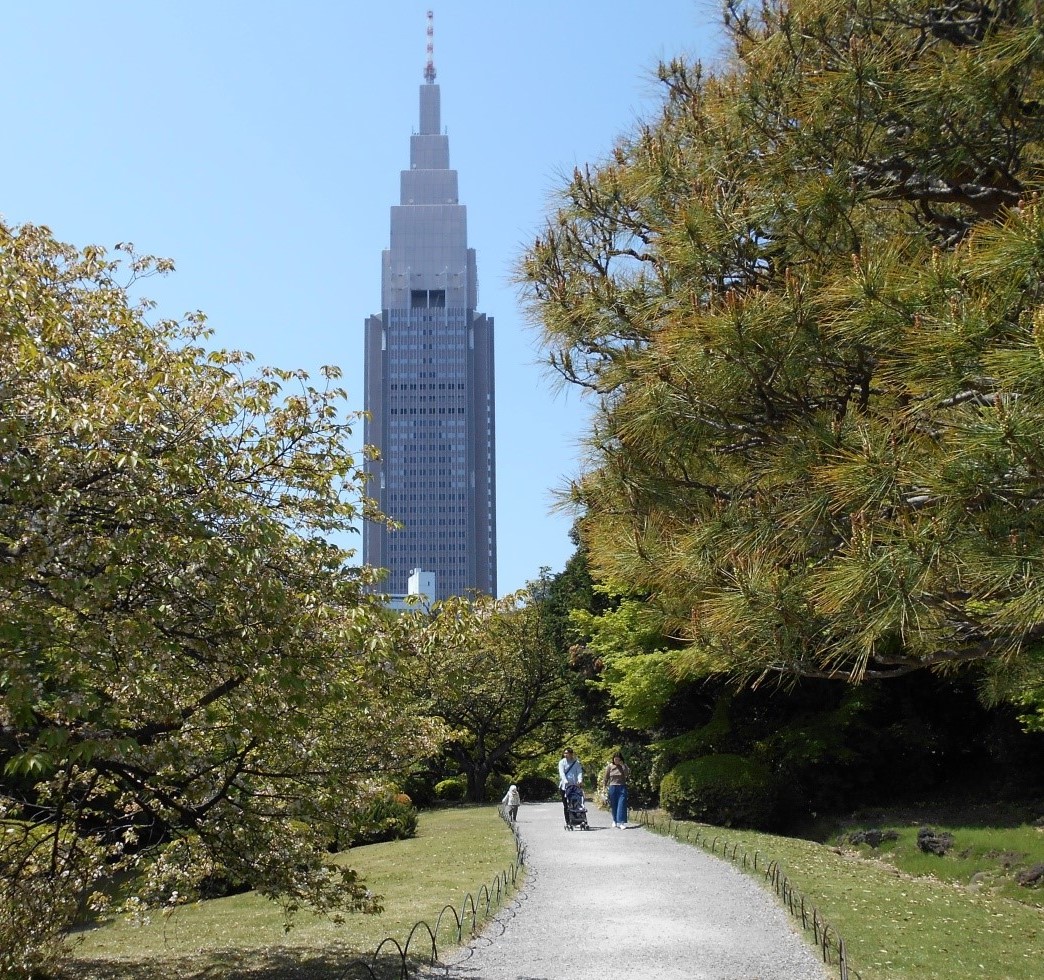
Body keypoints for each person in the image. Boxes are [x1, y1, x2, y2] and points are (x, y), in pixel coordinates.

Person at [603, 751, 630, 828]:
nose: (616, 761)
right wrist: (604, 787)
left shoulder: (623, 766)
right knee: (614, 804)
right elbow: (606, 777)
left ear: (621, 759)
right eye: (615, 759)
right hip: (613, 787)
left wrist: (623, 765)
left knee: (622, 804)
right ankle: (614, 820)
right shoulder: (610, 766)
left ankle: (621, 822)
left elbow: (627, 774)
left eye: (618, 759)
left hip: (622, 787)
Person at [557, 747, 583, 823]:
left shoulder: (576, 763)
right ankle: (568, 821)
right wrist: (565, 780)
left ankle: (576, 819)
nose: (566, 755)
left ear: (571, 754)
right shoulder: (562, 762)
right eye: (565, 753)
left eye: (567, 753)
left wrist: (580, 780)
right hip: (565, 787)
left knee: (575, 803)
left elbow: (579, 772)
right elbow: (561, 773)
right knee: (566, 805)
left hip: (575, 786)